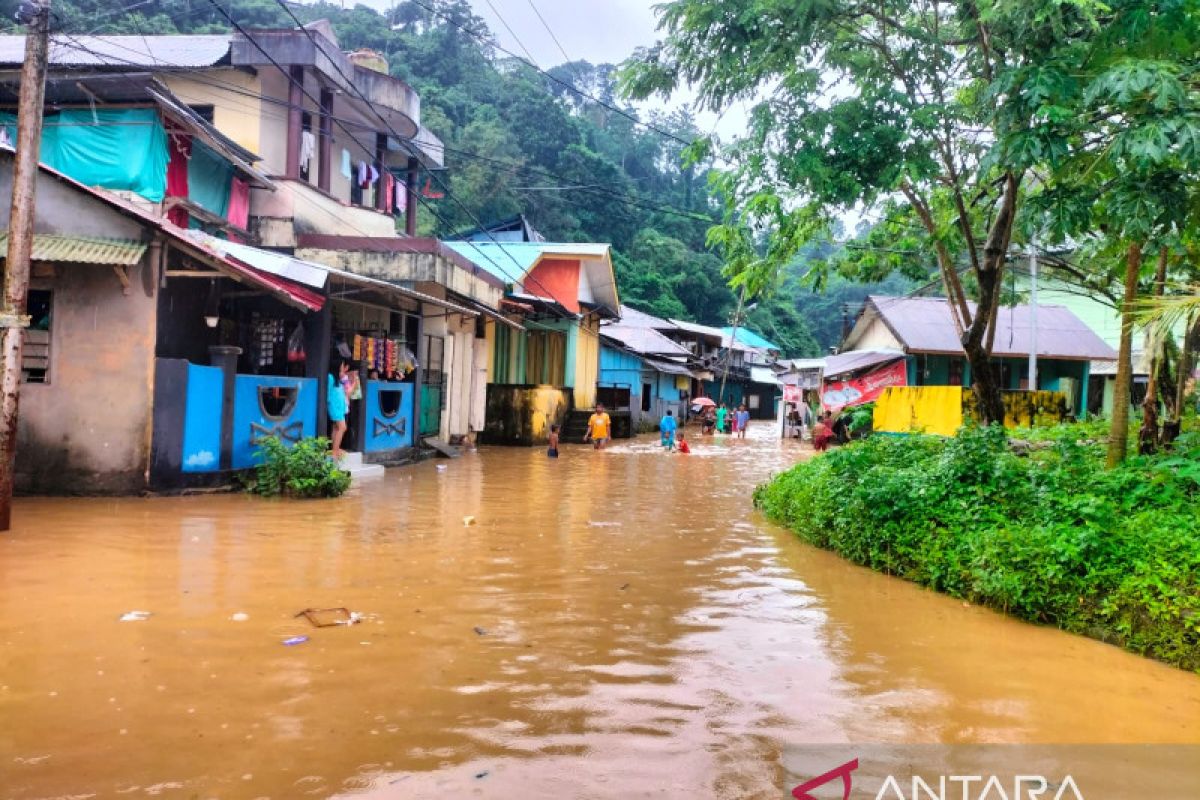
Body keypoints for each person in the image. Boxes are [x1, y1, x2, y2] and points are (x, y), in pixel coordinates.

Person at [327, 360, 351, 459]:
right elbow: (327, 393)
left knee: (336, 428)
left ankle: (335, 449)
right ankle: (335, 451)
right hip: (334, 407)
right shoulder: (330, 377)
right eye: (341, 365)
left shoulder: (337, 378)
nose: (342, 366)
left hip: (339, 407)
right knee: (342, 427)